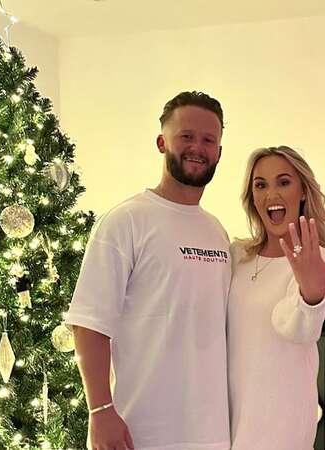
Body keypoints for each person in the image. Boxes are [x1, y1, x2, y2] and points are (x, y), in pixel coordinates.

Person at [66, 91, 231, 450]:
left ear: (219, 151)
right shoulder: (126, 221)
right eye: (186, 136)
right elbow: (89, 324)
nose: (197, 148)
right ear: (162, 142)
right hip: (140, 432)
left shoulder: (217, 231)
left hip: (213, 433)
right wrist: (100, 409)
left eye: (208, 140)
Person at [227, 146, 325, 449]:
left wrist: (311, 295)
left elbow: (298, 329)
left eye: (284, 182)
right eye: (260, 184)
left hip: (281, 424)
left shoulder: (318, 259)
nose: (271, 194)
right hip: (227, 420)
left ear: (303, 192)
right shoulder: (237, 256)